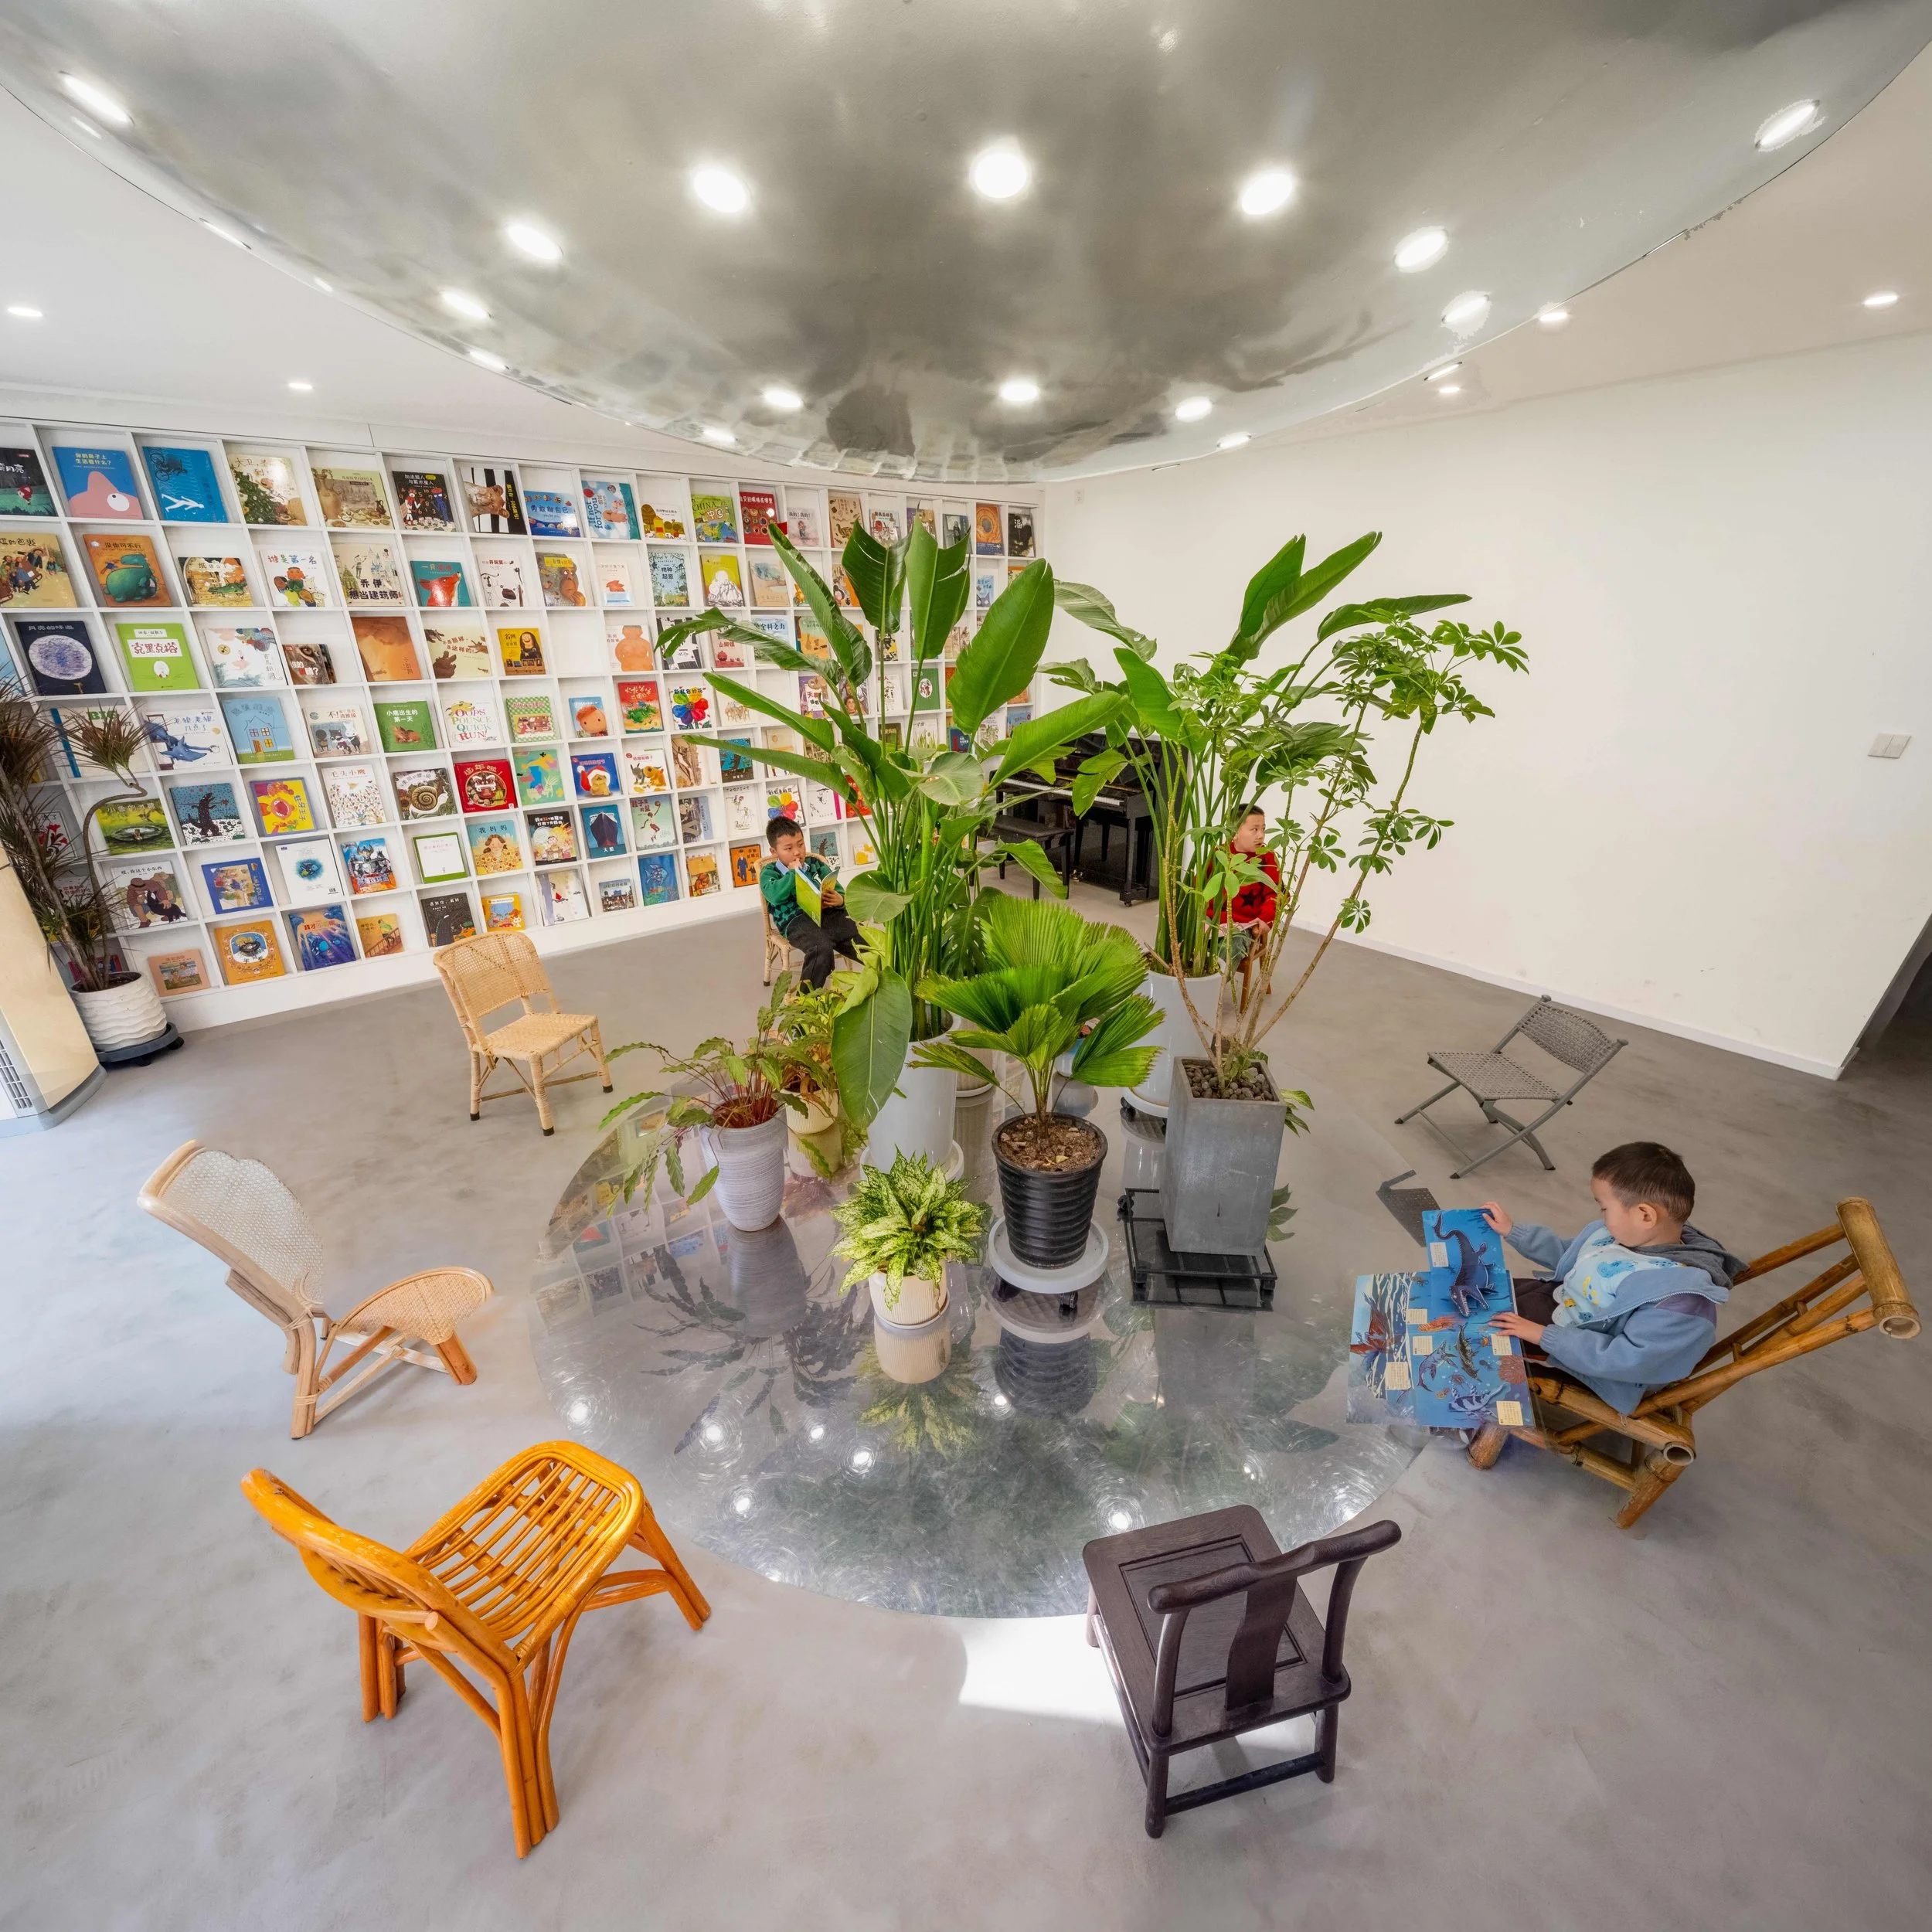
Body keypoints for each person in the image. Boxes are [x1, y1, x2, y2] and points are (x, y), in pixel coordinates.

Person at [1483, 1141, 1744, 1416]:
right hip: (1565, 1304)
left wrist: (1542, 1336)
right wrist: (1514, 1231)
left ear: (1645, 1214)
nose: (1602, 1217)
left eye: (1604, 1208)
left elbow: (1628, 1359)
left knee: (1479, 1333)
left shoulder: (1680, 1301)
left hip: (1585, 1354)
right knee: (1484, 1294)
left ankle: (1467, 1408)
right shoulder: (1634, 1237)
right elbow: (1573, 1256)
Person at [760, 816, 862, 988]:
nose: (797, 852)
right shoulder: (769, 873)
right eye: (788, 848)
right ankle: (806, 1002)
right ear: (774, 851)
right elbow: (775, 895)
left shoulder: (815, 863)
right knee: (821, 949)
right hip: (795, 921)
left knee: (862, 939)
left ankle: (890, 980)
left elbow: (837, 889)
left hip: (827, 914)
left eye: (800, 844)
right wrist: (793, 873)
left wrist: (840, 900)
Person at [1221, 803, 1280, 976]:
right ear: (1235, 831)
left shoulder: (1267, 857)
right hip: (1213, 922)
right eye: (1254, 830)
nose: (1261, 835)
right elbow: (1201, 886)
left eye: (1263, 829)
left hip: (1245, 926)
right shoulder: (1220, 853)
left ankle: (1214, 989)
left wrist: (1266, 918)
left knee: (1233, 945)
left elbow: (1275, 893)